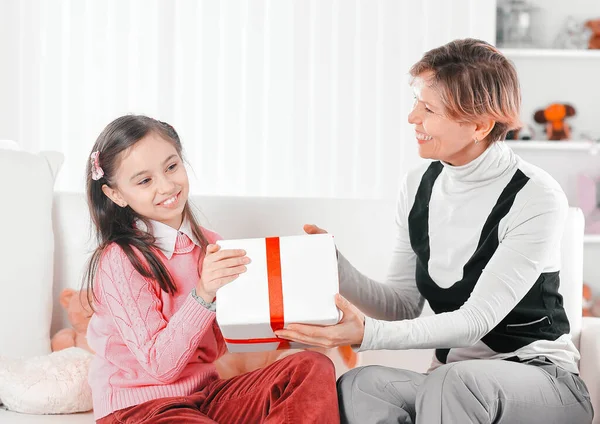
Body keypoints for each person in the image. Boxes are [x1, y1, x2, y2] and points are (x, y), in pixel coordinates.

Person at [275, 39, 594, 423]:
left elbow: (475, 321)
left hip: (543, 380)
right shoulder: (417, 185)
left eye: (428, 109)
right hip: (453, 384)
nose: (412, 118)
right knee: (361, 385)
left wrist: (365, 334)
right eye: (416, 102)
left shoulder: (535, 196)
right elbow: (402, 307)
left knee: (452, 382)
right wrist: (335, 267)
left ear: (479, 125)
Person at [84, 115, 340, 423]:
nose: (166, 185)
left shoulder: (211, 245)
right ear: (116, 195)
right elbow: (159, 366)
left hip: (205, 397)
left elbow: (219, 344)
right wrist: (204, 294)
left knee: (310, 366)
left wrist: (290, 305)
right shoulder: (121, 259)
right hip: (139, 409)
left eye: (171, 167)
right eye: (145, 181)